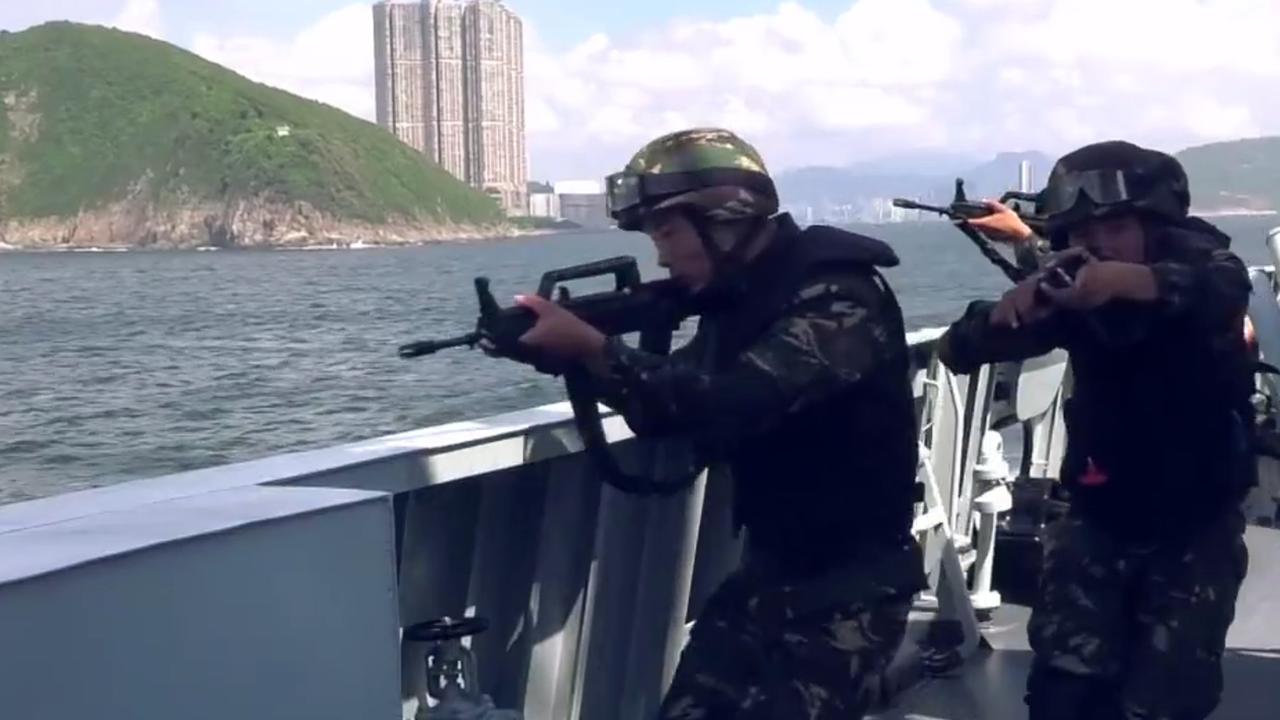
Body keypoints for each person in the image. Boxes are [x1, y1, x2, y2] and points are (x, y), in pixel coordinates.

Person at [512, 127, 927, 718]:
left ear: (726, 218)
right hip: (768, 577)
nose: (660, 255)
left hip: (852, 592)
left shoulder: (838, 292)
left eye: (667, 232)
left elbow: (733, 400)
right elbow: (671, 407)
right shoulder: (742, 301)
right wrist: (580, 360)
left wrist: (597, 351)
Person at [937, 140, 1255, 720]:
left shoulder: (1204, 271)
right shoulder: (1072, 293)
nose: (1098, 243)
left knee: (1165, 695)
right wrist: (1016, 309)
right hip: (1097, 516)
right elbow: (958, 350)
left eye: (1115, 225)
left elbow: (1220, 288)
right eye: (1083, 231)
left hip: (1193, 527)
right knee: (1067, 689)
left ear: (1154, 226)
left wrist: (1120, 283)